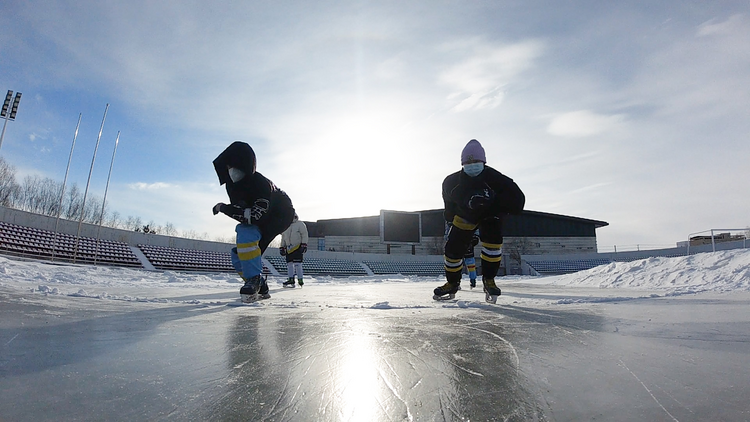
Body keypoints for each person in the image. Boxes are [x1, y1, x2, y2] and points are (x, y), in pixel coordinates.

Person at [435, 139, 525, 303]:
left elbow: (518, 201)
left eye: (475, 161)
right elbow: (449, 206)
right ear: (462, 163)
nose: (472, 165)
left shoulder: (497, 179)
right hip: (465, 216)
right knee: (452, 249)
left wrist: (494, 203)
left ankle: (489, 280)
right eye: (468, 162)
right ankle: (452, 282)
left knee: (493, 241)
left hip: (490, 215)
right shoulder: (451, 182)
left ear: (483, 162)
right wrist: (452, 220)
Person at [212, 141, 295, 303]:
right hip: (262, 219)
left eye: (234, 166)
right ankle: (259, 283)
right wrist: (232, 209)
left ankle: (253, 280)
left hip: (280, 215)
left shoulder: (261, 184)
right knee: (239, 255)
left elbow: (253, 217)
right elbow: (241, 210)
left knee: (245, 230)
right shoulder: (231, 186)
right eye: (228, 167)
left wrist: (223, 208)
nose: (231, 171)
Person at [280, 213, 309, 287]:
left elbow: (304, 234)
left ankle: (300, 279)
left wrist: (304, 244)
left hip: (298, 246)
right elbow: (284, 237)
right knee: (289, 264)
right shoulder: (286, 225)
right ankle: (291, 279)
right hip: (289, 248)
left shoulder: (300, 224)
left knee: (298, 264)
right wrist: (282, 247)